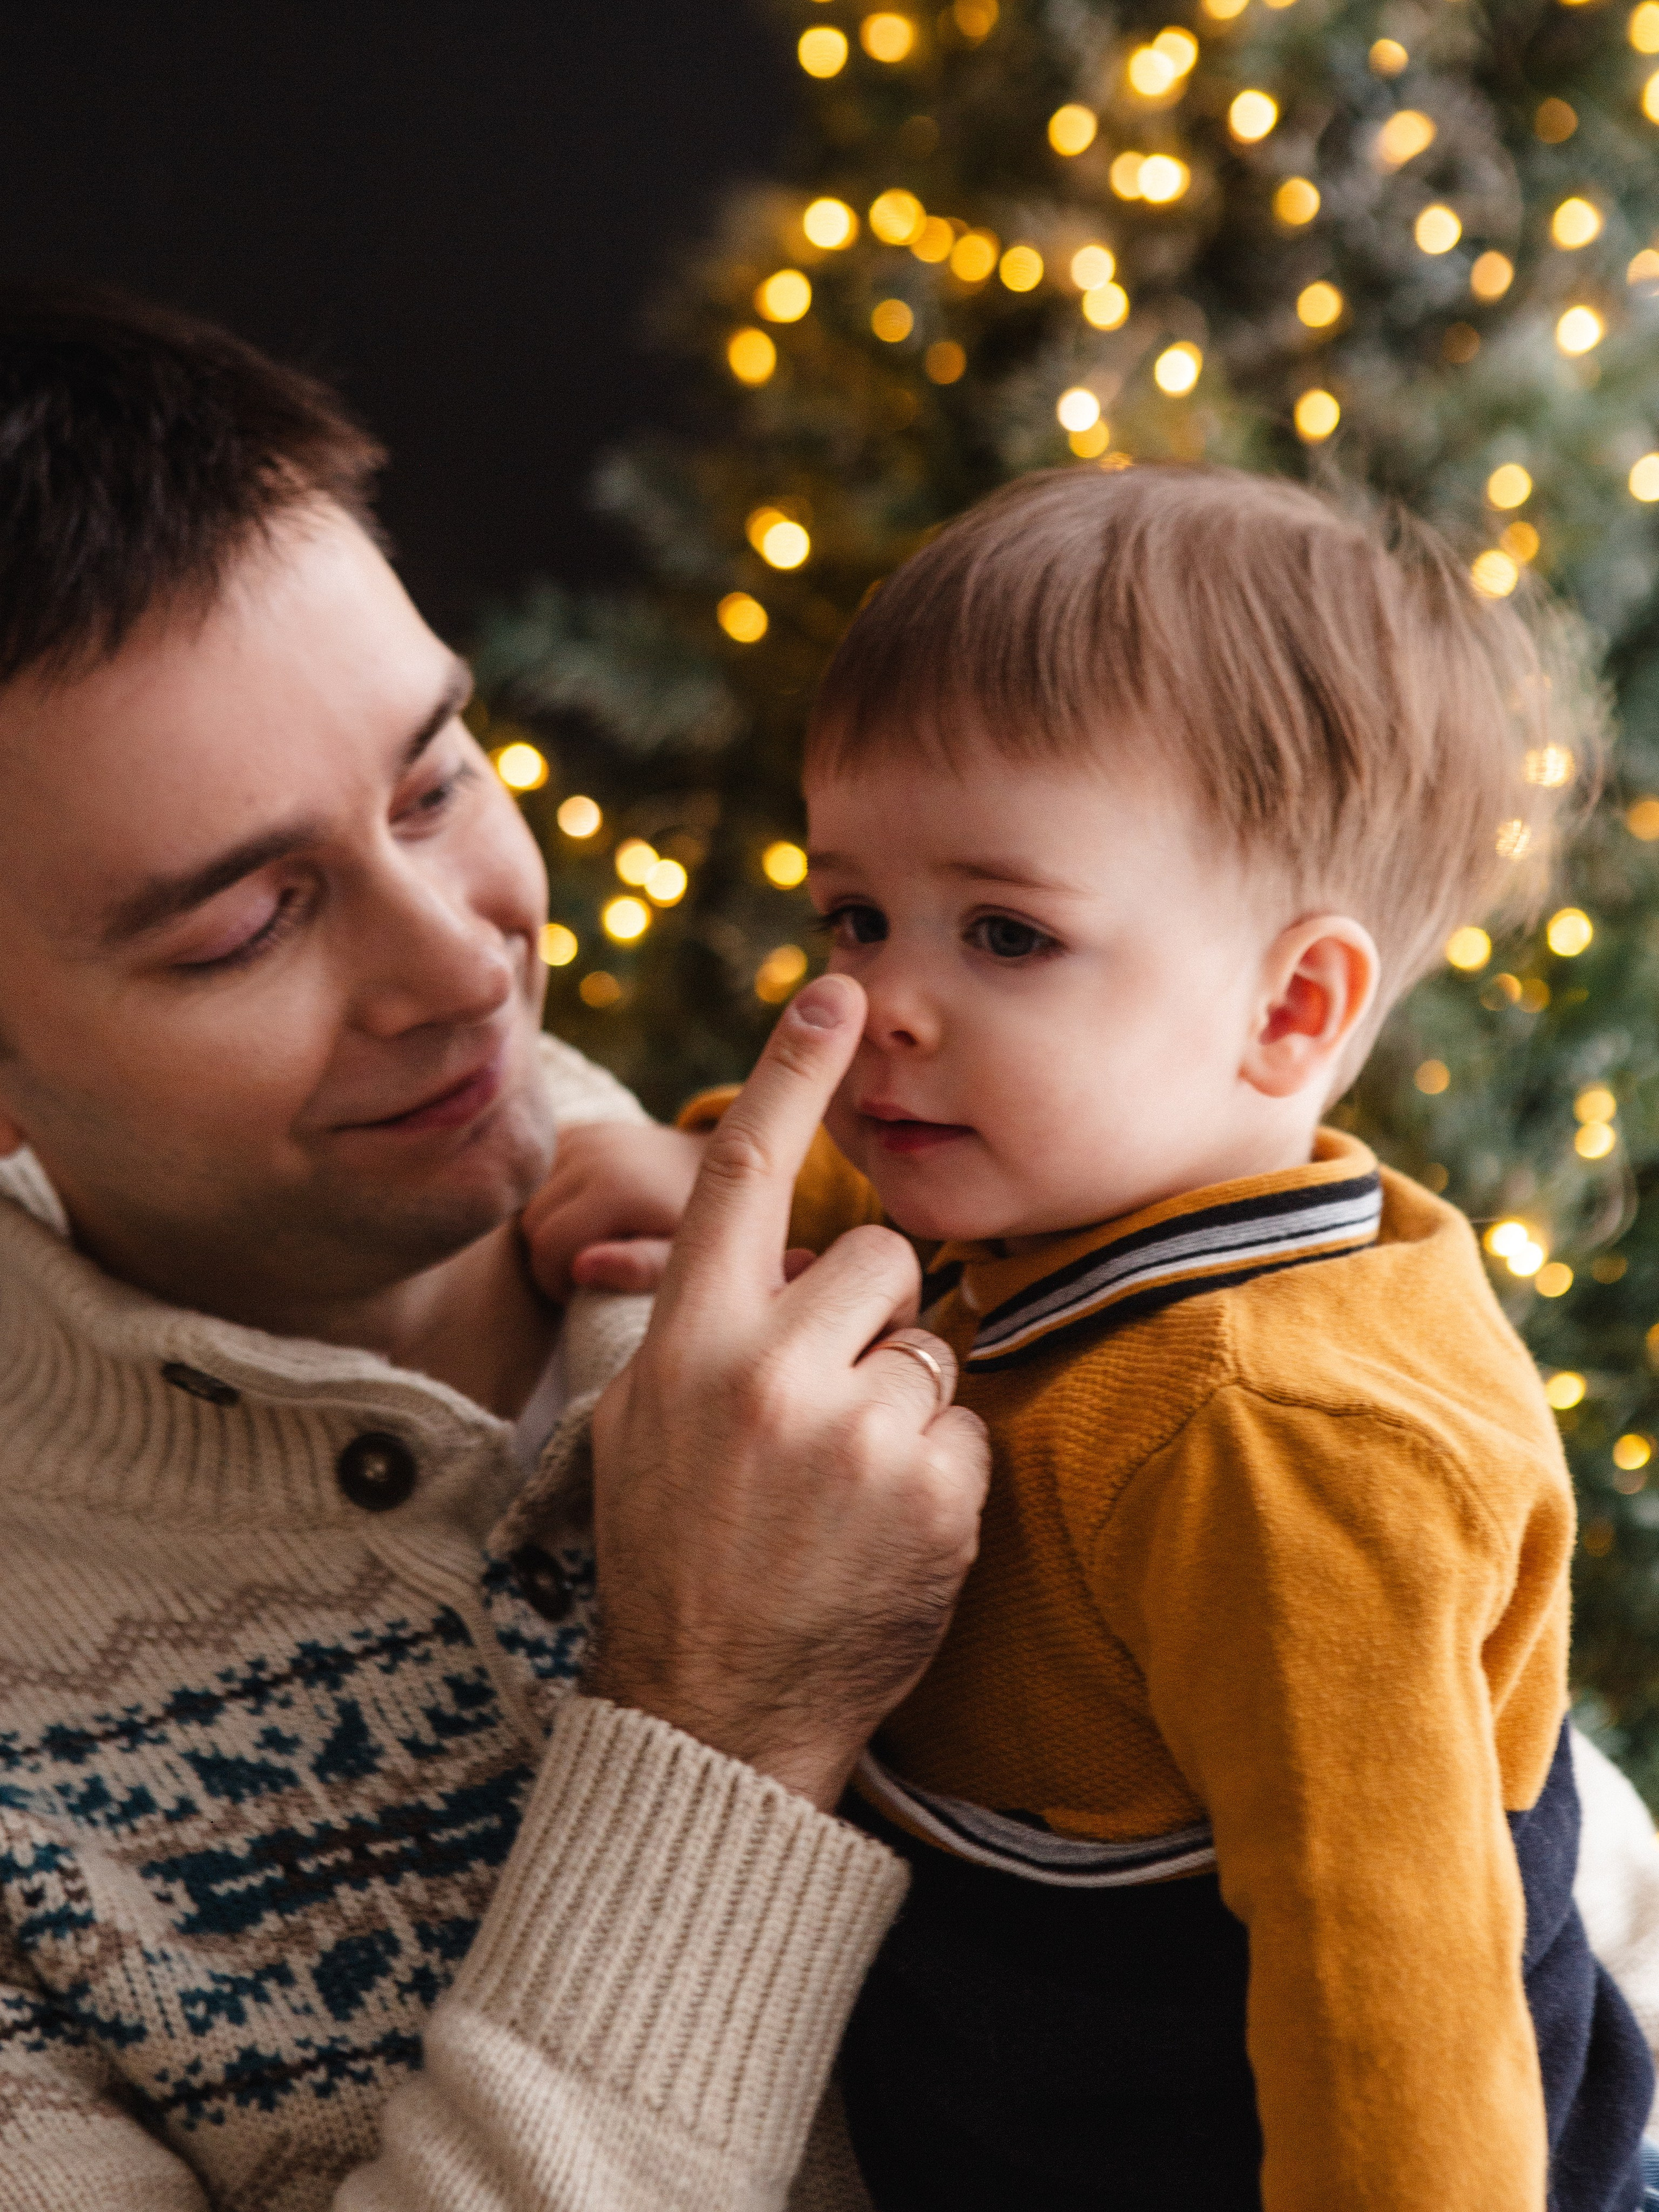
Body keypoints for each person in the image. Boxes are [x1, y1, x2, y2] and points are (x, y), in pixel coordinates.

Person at [530, 466, 1659, 2209]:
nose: (884, 1001)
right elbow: (870, 1199)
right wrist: (707, 1169)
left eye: (1006, 934)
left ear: (1292, 1010)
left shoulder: (1274, 1434)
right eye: (855, 916)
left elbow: (1394, 1999)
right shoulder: (1063, 1192)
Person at [0, 282, 992, 2210]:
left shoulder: (902, 1237)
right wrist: (725, 1722)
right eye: (242, 927)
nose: (466, 962)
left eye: (437, 780)